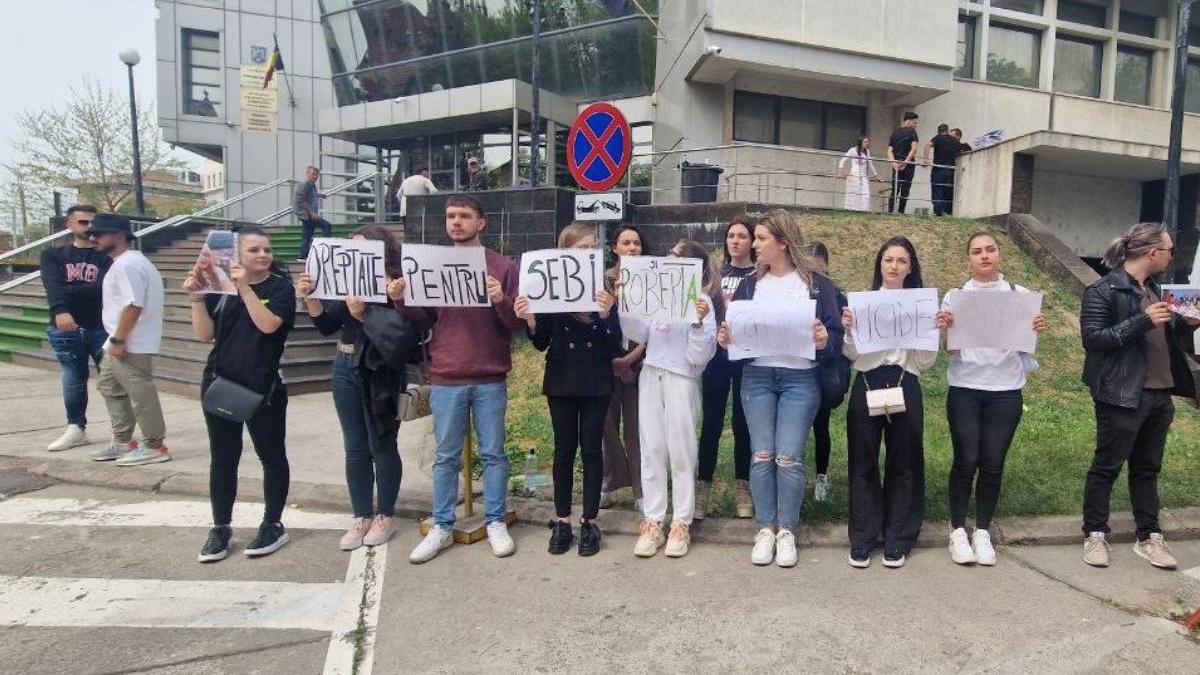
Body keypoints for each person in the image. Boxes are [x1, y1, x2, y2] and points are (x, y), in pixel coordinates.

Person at [389, 194, 524, 564]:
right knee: (445, 456)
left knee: (494, 453)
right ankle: (442, 525)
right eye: (450, 216)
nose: (456, 222)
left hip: (489, 374)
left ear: (481, 222)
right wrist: (401, 300)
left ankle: (496, 520)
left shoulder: (502, 266)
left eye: (464, 216)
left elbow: (516, 325)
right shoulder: (432, 263)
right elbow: (423, 319)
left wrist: (500, 299)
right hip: (447, 373)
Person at [718, 210, 842, 567]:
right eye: (755, 238)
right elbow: (735, 332)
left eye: (761, 238)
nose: (754, 245)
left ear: (783, 242)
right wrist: (726, 338)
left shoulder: (816, 285)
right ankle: (764, 528)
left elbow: (835, 335)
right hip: (757, 377)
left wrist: (824, 339)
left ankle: (786, 529)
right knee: (761, 455)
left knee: (788, 456)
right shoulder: (750, 285)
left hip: (800, 379)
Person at [1079, 223, 1198, 570]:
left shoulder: (1155, 289)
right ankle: (1095, 533)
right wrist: (1141, 322)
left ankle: (1150, 536)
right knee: (1107, 466)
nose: (1172, 256)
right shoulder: (1103, 289)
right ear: (1152, 253)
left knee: (1147, 469)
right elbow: (1094, 340)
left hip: (1161, 394)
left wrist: (1184, 324)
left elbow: (1164, 337)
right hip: (1121, 394)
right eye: (1169, 250)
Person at [184, 226, 296, 562]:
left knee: (271, 455)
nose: (263, 255)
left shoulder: (281, 288)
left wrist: (244, 288)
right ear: (236, 254)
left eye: (267, 249)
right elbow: (205, 335)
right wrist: (196, 299)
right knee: (223, 457)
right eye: (254, 250)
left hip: (264, 387)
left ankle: (272, 523)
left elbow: (268, 326)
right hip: (221, 381)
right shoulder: (217, 287)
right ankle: (220, 526)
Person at [939, 233, 1046, 566]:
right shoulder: (955, 297)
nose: (984, 256)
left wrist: (1034, 329)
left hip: (1005, 390)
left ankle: (982, 529)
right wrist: (946, 329)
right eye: (976, 251)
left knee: (993, 462)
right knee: (965, 459)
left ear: (999, 255)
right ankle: (958, 529)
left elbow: (1026, 346)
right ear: (968, 259)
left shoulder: (1021, 296)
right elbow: (951, 350)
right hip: (966, 386)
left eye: (990, 249)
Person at [515, 223, 621, 556]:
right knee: (563, 450)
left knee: (591, 449)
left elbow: (614, 344)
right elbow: (541, 342)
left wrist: (605, 314)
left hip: (596, 379)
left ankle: (589, 521)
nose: (585, 254)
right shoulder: (549, 288)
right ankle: (562, 520)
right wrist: (531, 319)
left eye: (591, 248)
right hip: (561, 378)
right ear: (564, 252)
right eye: (578, 249)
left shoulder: (604, 289)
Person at [302, 225, 407, 551]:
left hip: (379, 369)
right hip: (344, 366)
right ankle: (361, 514)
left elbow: (401, 333)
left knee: (382, 443)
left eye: (360, 247)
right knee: (355, 446)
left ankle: (385, 515)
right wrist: (311, 297)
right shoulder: (345, 280)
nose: (352, 253)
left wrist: (362, 316)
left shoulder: (395, 283)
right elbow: (326, 325)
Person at [842, 236, 945, 569]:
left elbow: (926, 362)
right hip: (868, 381)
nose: (894, 266)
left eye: (901, 260)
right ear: (879, 264)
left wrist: (934, 331)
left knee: (905, 463)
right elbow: (852, 354)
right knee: (862, 462)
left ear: (910, 266)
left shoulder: (921, 304)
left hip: (905, 381)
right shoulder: (864, 302)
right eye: (888, 259)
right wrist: (849, 330)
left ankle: (898, 538)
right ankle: (862, 537)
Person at [629, 240, 718, 559]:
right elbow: (638, 334)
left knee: (681, 451)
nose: (669, 257)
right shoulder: (658, 293)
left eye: (677, 256)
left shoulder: (703, 301)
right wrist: (630, 300)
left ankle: (681, 521)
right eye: (670, 253)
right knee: (651, 448)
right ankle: (653, 520)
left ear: (691, 266)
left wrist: (696, 321)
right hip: (652, 371)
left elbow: (700, 356)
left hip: (682, 378)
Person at [86, 214, 170, 467]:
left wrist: (119, 338)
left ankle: (155, 445)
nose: (94, 238)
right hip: (120, 339)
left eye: (99, 234)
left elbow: (133, 304)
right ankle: (123, 441)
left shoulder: (129, 265)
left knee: (140, 392)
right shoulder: (126, 263)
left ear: (118, 235)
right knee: (110, 386)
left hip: (131, 341)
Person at [696, 216, 756, 520]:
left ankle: (743, 487)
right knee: (711, 425)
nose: (735, 241)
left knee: (744, 426)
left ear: (752, 241)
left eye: (742, 236)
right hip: (716, 359)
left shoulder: (760, 276)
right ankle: (702, 488)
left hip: (746, 359)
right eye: (731, 235)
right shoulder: (715, 275)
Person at [40, 205, 111, 452]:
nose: (89, 227)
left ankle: (121, 430)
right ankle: (76, 428)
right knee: (72, 379)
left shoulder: (107, 257)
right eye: (82, 222)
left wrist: (68, 291)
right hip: (64, 326)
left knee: (113, 379)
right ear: (69, 225)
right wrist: (61, 309)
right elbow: (52, 285)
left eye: (93, 222)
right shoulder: (52, 255)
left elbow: (101, 288)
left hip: (101, 326)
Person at [601, 225, 648, 510]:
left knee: (636, 427)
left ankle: (640, 489)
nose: (632, 248)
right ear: (615, 248)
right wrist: (614, 362)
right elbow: (596, 322)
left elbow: (654, 326)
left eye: (637, 243)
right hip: (606, 364)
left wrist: (632, 359)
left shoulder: (650, 277)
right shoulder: (603, 279)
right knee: (605, 426)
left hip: (638, 362)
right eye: (626, 243)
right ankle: (610, 479)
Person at [807, 241, 851, 504]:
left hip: (825, 369)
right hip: (800, 366)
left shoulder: (837, 296)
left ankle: (821, 476)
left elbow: (844, 339)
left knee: (821, 426)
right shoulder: (795, 292)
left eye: (819, 270)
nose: (815, 276)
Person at [294, 165, 331, 262]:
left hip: (309, 214)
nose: (315, 176)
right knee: (326, 226)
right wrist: (312, 213)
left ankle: (303, 256)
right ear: (307, 174)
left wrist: (319, 195)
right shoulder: (304, 184)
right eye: (313, 174)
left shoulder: (312, 184)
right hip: (306, 214)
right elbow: (302, 200)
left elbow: (311, 195)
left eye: (317, 175)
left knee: (307, 234)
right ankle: (328, 249)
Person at [925, 123, 961, 217]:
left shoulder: (938, 138)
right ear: (947, 130)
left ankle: (938, 212)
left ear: (939, 131)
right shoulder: (954, 140)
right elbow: (962, 149)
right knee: (947, 191)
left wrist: (926, 160)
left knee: (937, 190)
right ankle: (947, 212)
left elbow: (928, 145)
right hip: (950, 170)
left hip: (938, 169)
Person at [887, 112, 920, 214]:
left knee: (895, 188)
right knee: (905, 189)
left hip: (896, 163)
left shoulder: (895, 132)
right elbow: (914, 149)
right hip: (908, 164)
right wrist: (906, 162)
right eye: (915, 122)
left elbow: (889, 150)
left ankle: (890, 211)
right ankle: (901, 211)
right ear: (908, 121)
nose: (916, 125)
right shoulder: (912, 132)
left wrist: (893, 163)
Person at [837, 135, 879, 212]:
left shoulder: (867, 152)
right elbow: (843, 160)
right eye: (865, 142)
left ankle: (864, 211)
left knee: (865, 195)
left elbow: (870, 164)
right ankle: (851, 211)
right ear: (861, 142)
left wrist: (876, 176)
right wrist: (840, 173)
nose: (867, 143)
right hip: (854, 176)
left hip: (863, 177)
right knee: (853, 195)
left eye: (868, 141)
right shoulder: (853, 150)